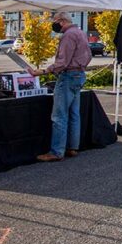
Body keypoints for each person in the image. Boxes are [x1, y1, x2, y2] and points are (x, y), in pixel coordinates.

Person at [31, 13, 92, 162]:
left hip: (68, 76)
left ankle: (56, 151)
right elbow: (89, 55)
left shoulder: (68, 35)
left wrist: (45, 71)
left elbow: (62, 61)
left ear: (62, 21)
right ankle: (72, 147)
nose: (54, 25)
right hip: (79, 75)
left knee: (59, 116)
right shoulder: (80, 33)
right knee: (74, 114)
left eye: (55, 22)